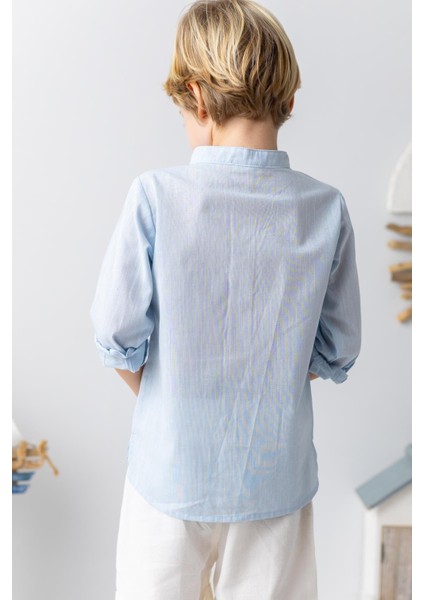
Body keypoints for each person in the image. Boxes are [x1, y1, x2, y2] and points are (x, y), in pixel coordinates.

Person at [89, 0, 362, 598]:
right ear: (290, 101)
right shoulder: (326, 208)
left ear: (198, 99)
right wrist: (263, 382)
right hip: (275, 479)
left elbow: (115, 333)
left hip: (168, 474)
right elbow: (339, 347)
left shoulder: (155, 196)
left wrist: (175, 397)